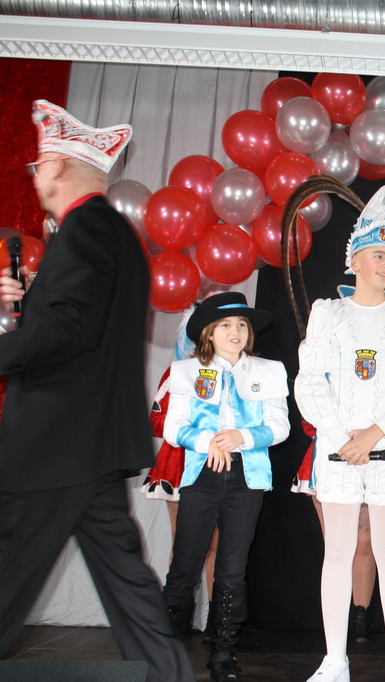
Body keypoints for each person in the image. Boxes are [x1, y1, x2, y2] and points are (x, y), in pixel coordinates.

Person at [0, 100, 194, 681]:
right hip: (93, 445)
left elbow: (67, 332)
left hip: (56, 444)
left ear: (59, 164)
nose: (36, 174)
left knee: (7, 572)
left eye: (39, 163)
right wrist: (29, 307)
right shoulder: (115, 233)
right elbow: (84, 328)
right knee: (129, 588)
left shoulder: (84, 228)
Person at [296, 186, 385, 682]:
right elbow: (310, 381)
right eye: (378, 255)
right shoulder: (327, 313)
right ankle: (335, 660)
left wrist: (373, 434)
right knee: (336, 554)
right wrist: (341, 438)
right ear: (354, 260)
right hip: (338, 453)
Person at [162, 292, 290, 682]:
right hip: (202, 476)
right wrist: (210, 442)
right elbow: (172, 428)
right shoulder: (185, 371)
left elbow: (280, 427)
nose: (235, 331)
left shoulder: (269, 370)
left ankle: (223, 653)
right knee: (184, 565)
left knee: (232, 570)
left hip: (247, 479)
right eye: (225, 324)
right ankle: (164, 653)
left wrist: (240, 437)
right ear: (209, 332)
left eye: (241, 325)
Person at [145, 346, 220, 641]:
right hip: (179, 463)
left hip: (222, 463)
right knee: (185, 542)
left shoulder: (243, 370)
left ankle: (217, 620)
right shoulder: (179, 371)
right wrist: (195, 429)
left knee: (218, 545)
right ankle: (176, 616)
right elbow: (156, 419)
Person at [292, 425, 379, 644]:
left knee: (364, 543)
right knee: (336, 548)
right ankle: (337, 623)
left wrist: (366, 436)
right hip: (329, 458)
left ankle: (360, 616)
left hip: (371, 457)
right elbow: (310, 420)